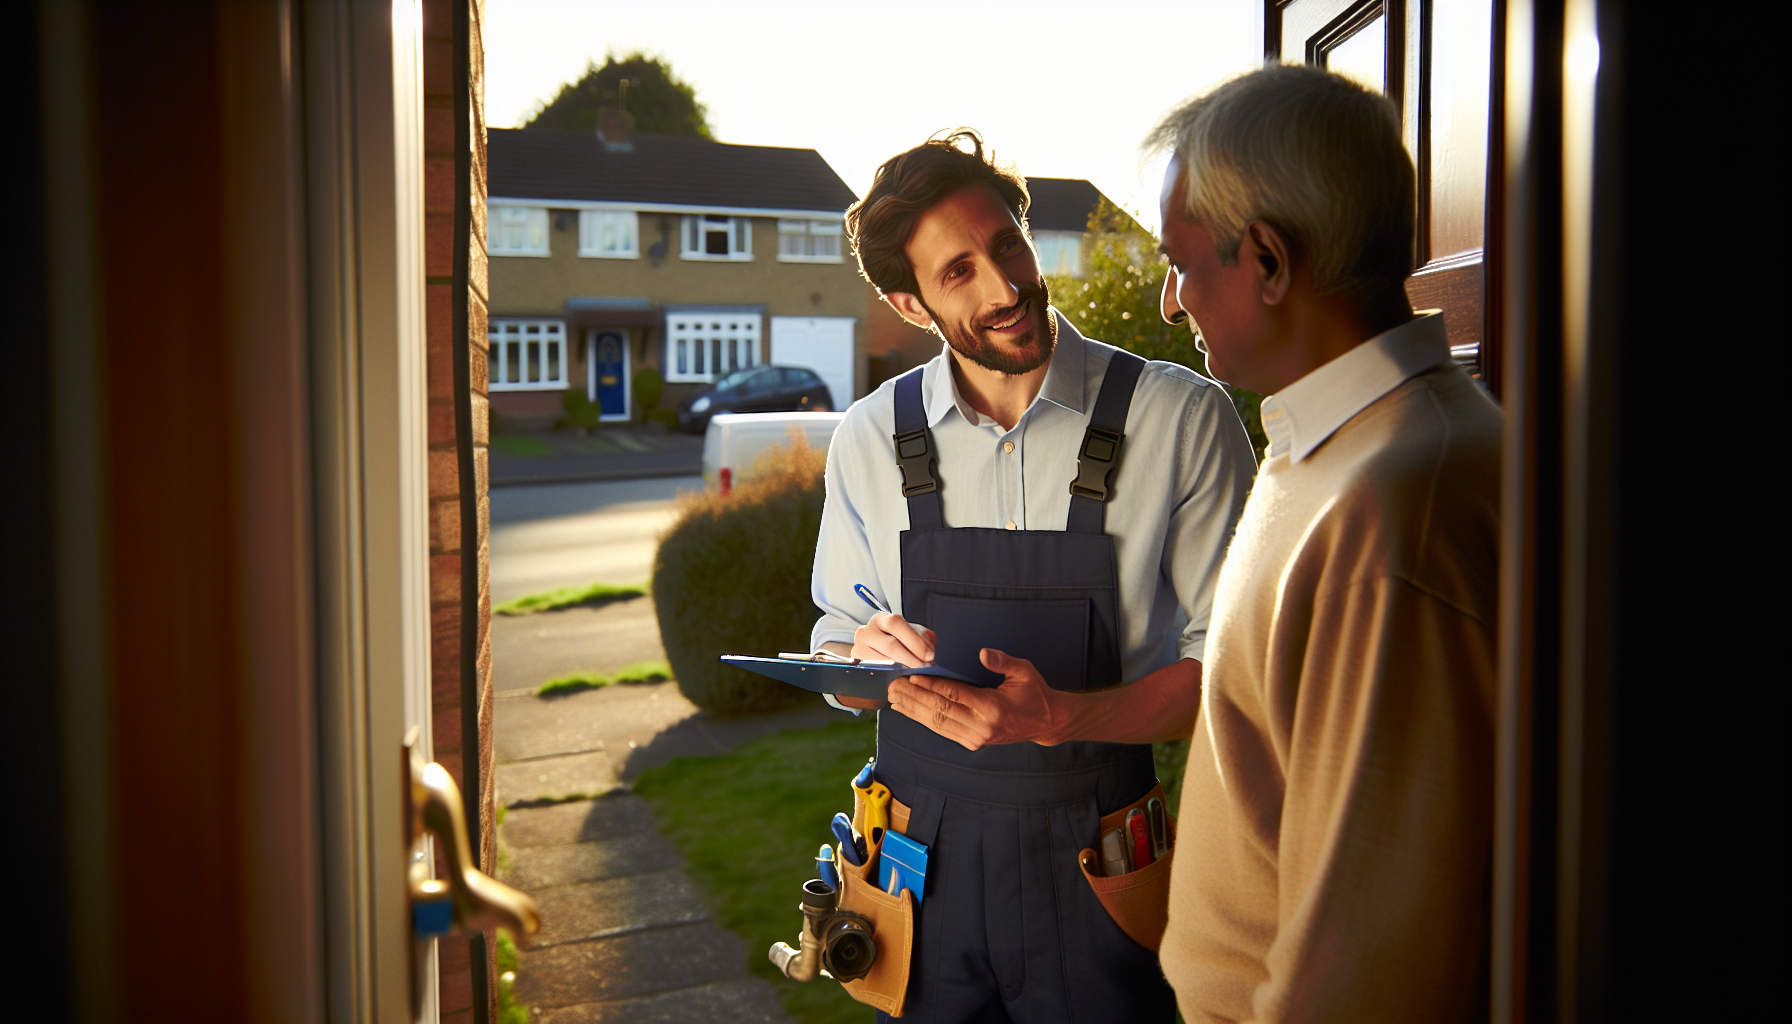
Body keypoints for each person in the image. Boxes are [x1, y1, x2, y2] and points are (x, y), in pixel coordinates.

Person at [809, 130, 1256, 1023]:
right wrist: (862, 660)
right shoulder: (868, 437)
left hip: (1104, 862)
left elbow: (1234, 684)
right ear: (910, 302)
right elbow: (834, 648)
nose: (1006, 288)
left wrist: (1067, 716)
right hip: (917, 870)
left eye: (1007, 244)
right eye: (958, 272)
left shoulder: (1179, 418)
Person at [1144, 67, 1502, 1021]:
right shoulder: (1328, 447)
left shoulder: (1392, 509)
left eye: (1183, 262)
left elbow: (1369, 973)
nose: (1172, 302)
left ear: (1266, 260)